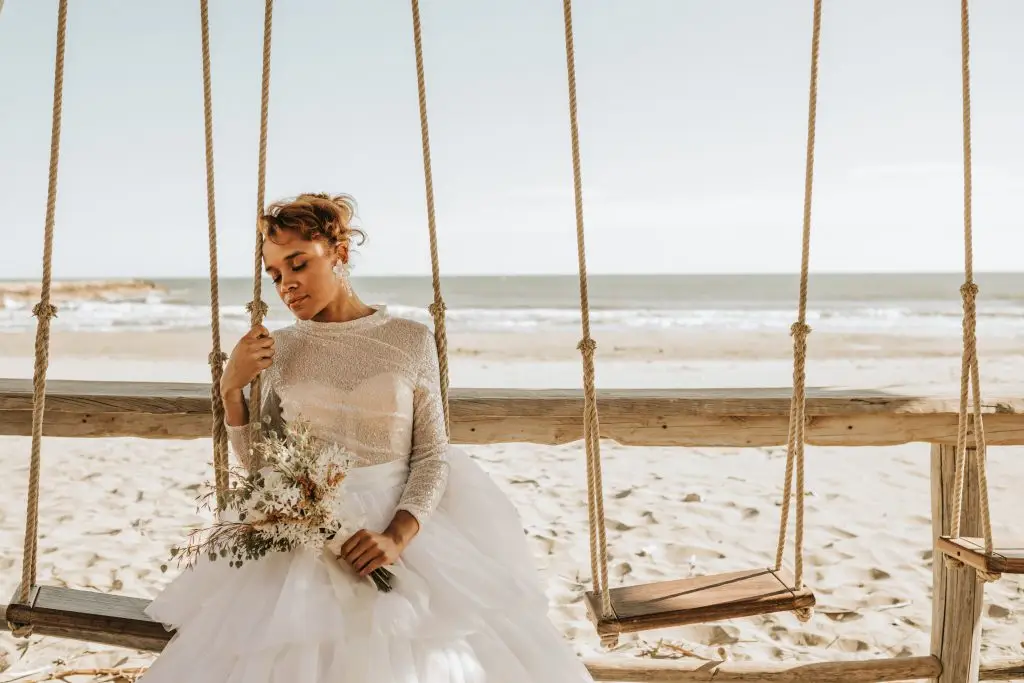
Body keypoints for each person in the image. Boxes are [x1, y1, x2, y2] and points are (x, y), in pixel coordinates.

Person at [140, 193, 595, 682]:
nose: (287, 285)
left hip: (405, 528)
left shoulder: (410, 339)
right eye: (275, 276)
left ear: (338, 253)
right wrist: (233, 389)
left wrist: (396, 537)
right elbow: (263, 469)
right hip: (307, 535)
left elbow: (432, 454)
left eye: (298, 264)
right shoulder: (279, 349)